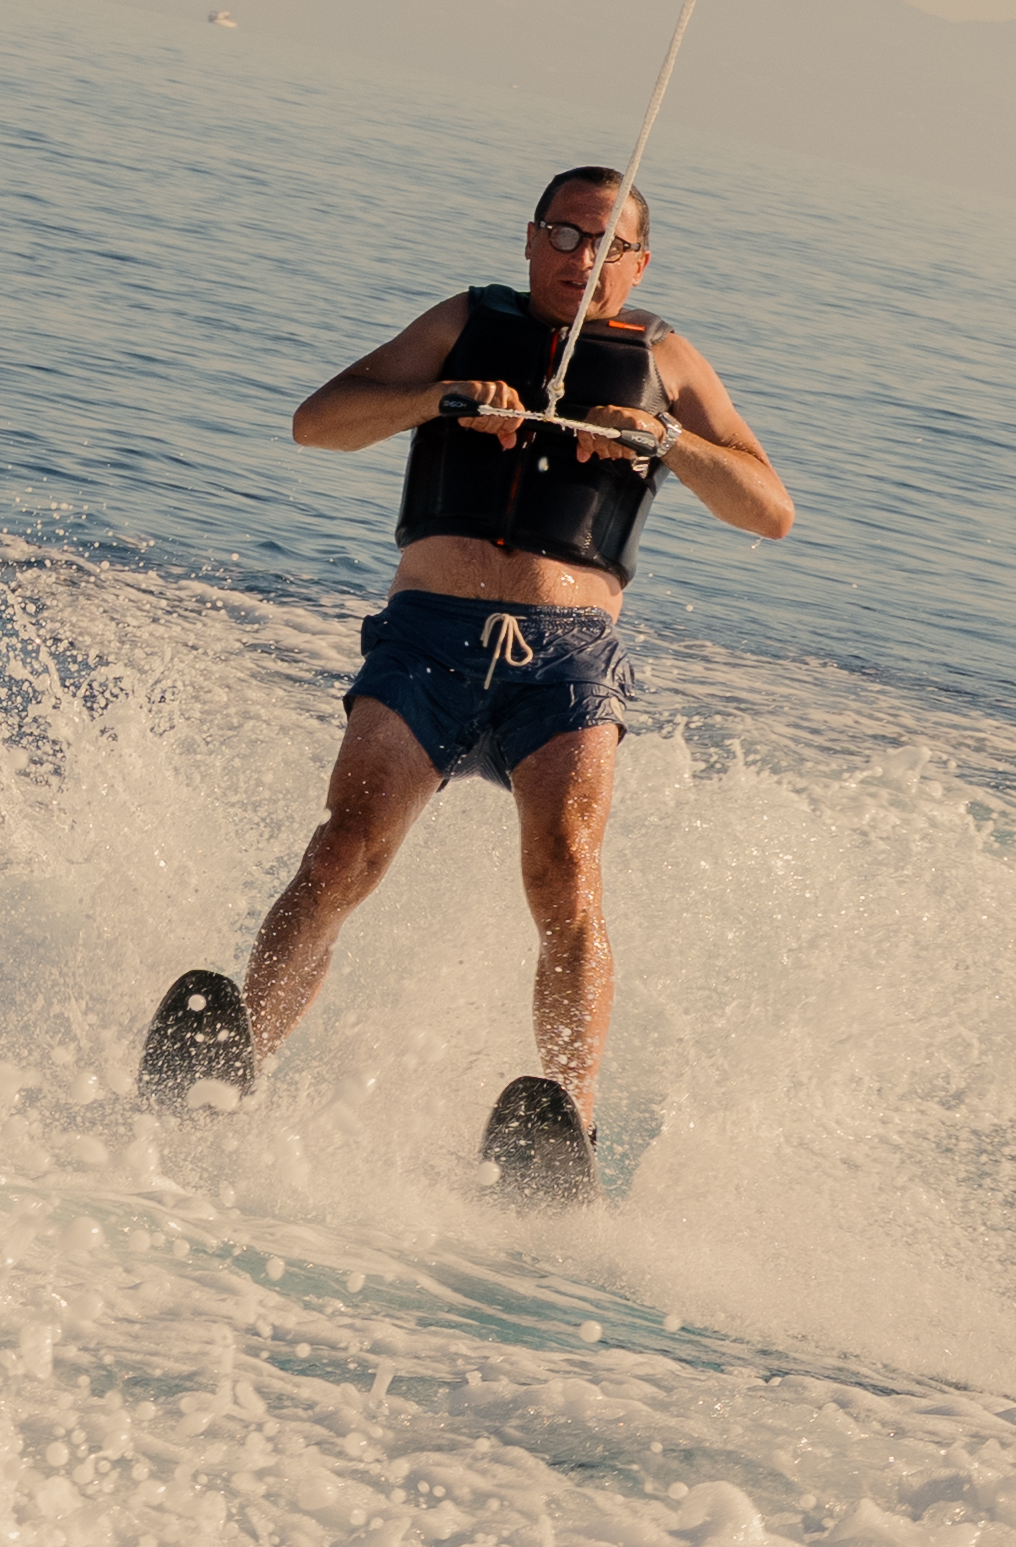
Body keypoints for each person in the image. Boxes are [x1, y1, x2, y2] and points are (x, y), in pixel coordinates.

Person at [208, 162, 796, 1132]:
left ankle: (570, 1114)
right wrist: (438, 400)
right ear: (530, 240)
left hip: (566, 660)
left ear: (638, 265)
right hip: (430, 640)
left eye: (607, 245)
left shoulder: (665, 360)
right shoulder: (463, 325)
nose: (581, 260)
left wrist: (664, 442)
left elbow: (770, 510)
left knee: (565, 867)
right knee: (345, 849)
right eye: (564, 236)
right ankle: (234, 1068)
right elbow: (318, 424)